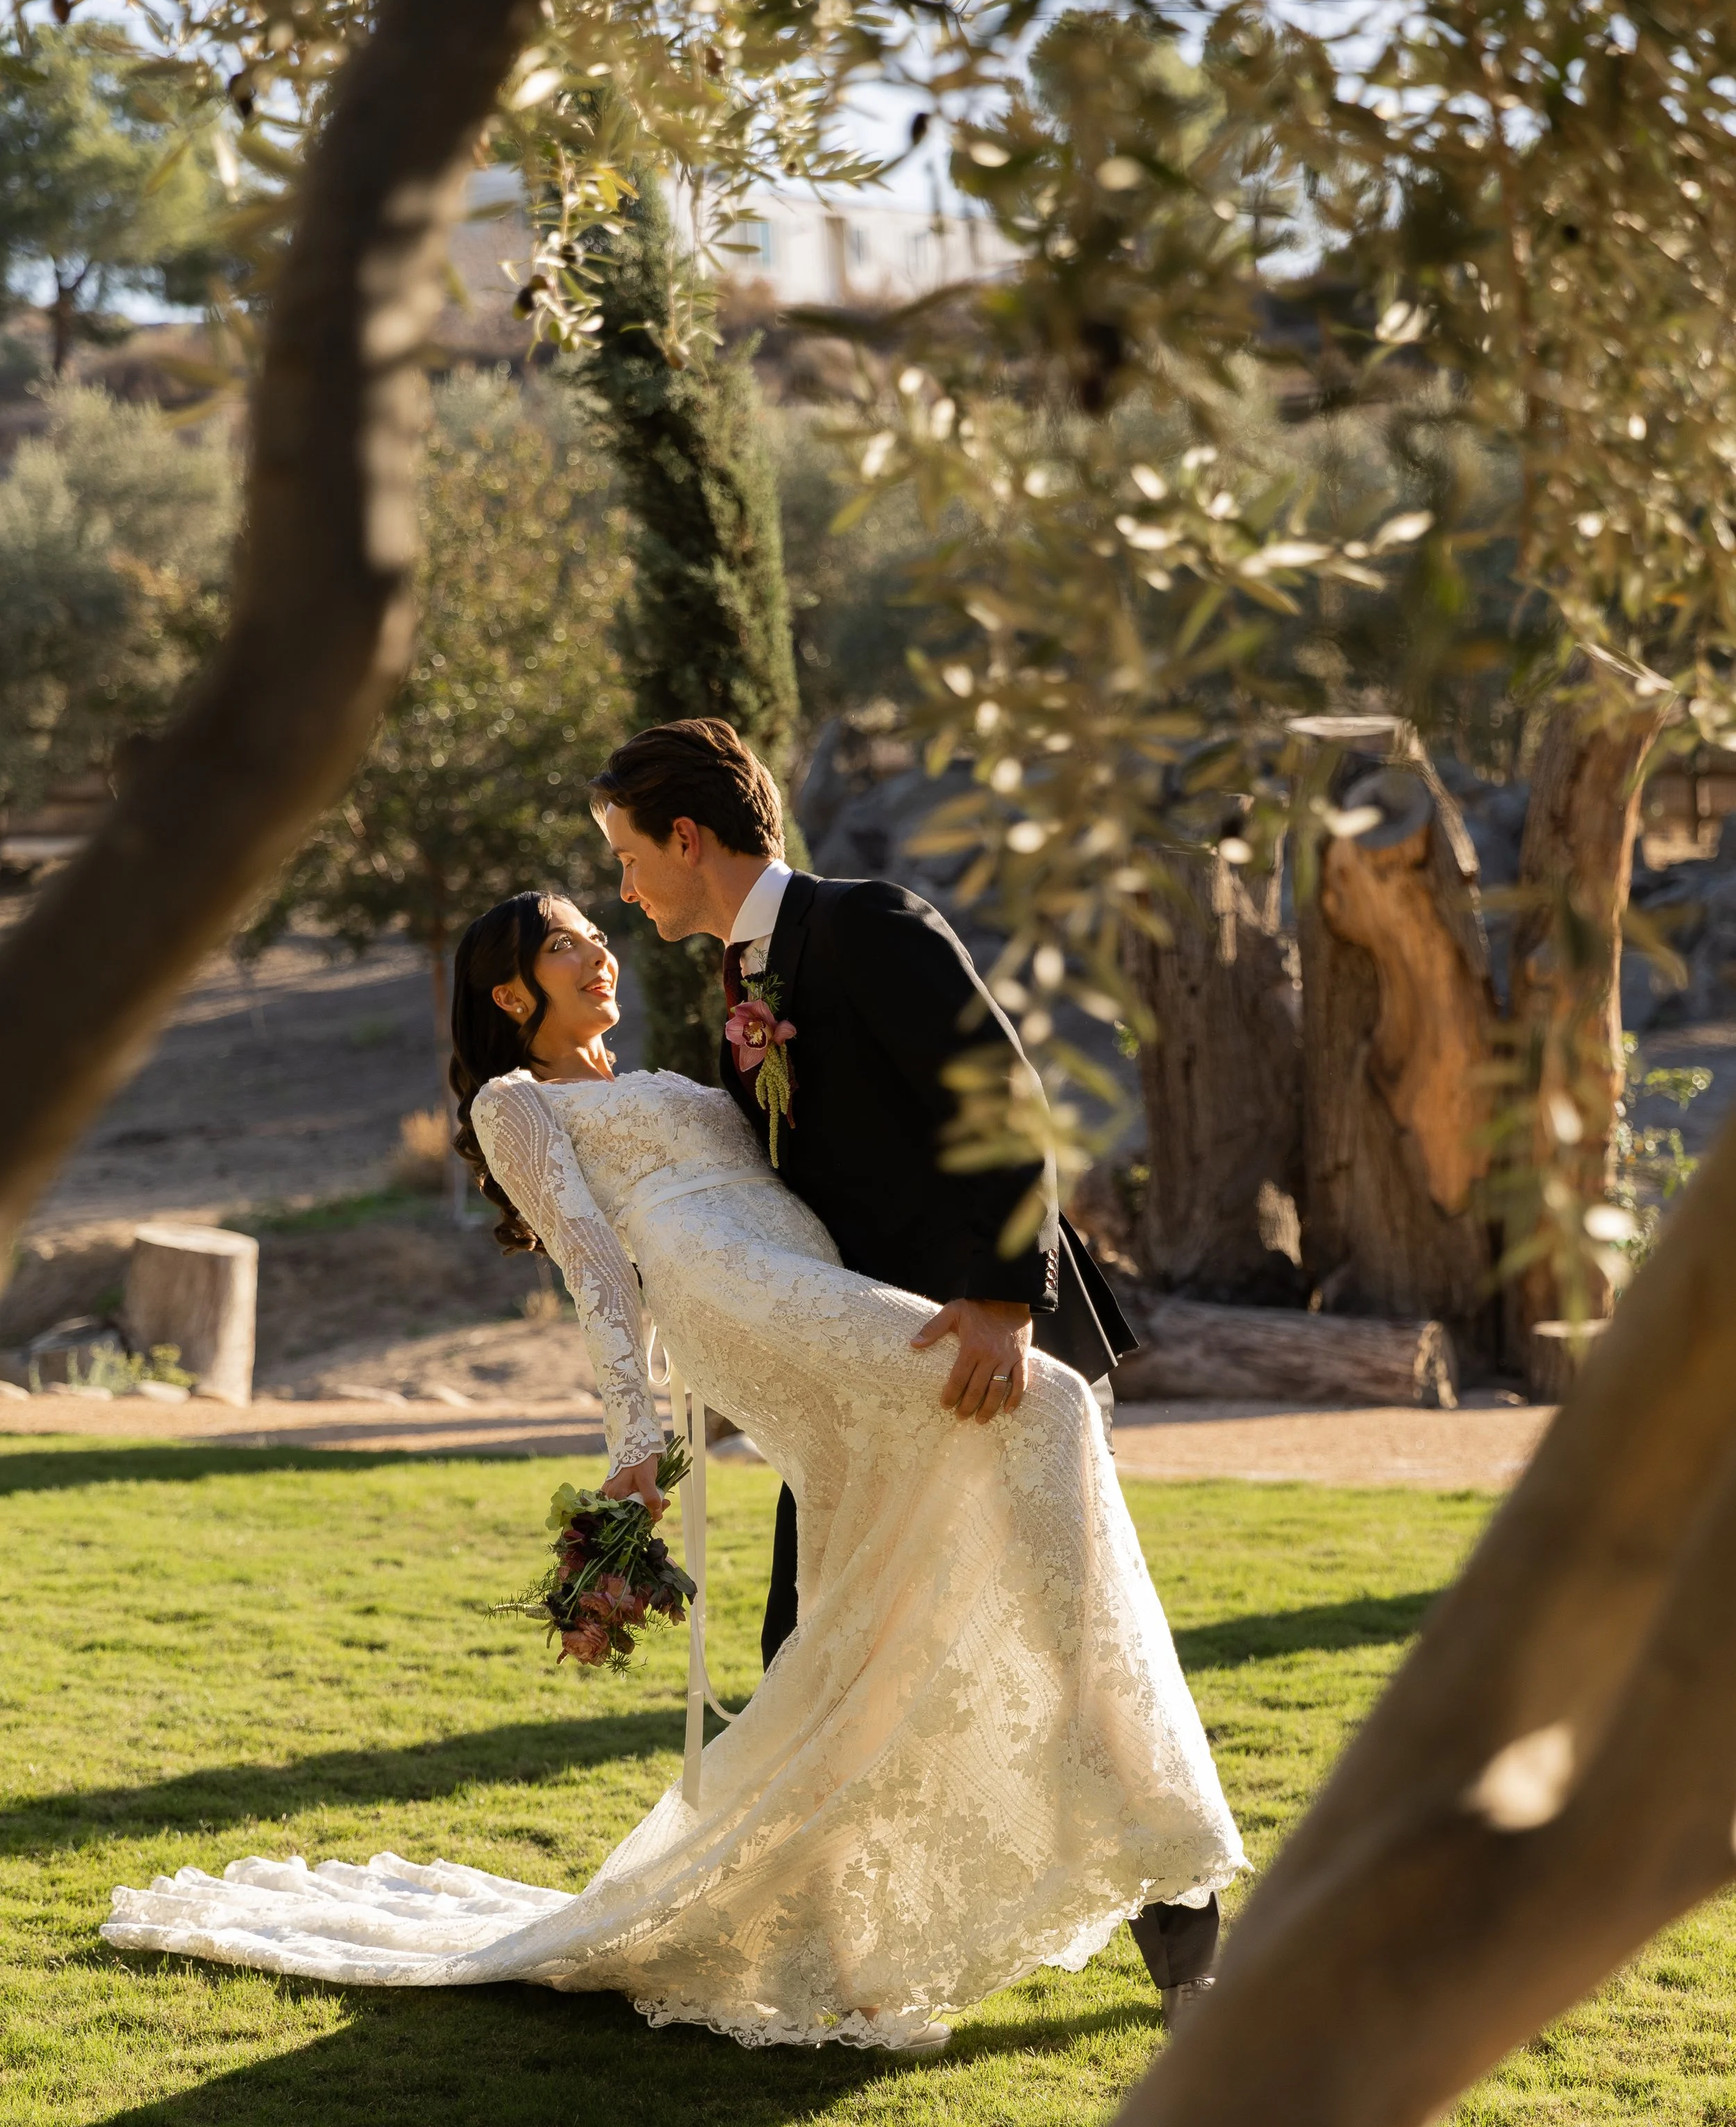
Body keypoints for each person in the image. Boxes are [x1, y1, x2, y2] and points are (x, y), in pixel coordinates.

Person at [104, 840, 1241, 2053]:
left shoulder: (683, 1064)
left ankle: (838, 1932)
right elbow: (595, 1269)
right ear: (510, 996)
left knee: (864, 1596)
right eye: (566, 942)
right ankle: (1152, 1843)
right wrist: (632, 1445)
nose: (601, 948)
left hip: (802, 1268)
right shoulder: (515, 1104)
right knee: (1051, 1410)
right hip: (734, 1290)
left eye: (598, 928)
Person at [594, 717, 1225, 2016]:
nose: (622, 886)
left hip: (982, 1356)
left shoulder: (869, 922)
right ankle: (812, 1956)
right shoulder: (743, 997)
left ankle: (1190, 1952)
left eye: (624, 854)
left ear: (689, 838)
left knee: (1073, 1638)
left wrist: (1000, 1301)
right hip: (871, 1383)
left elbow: (1001, 1096)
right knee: (805, 1646)